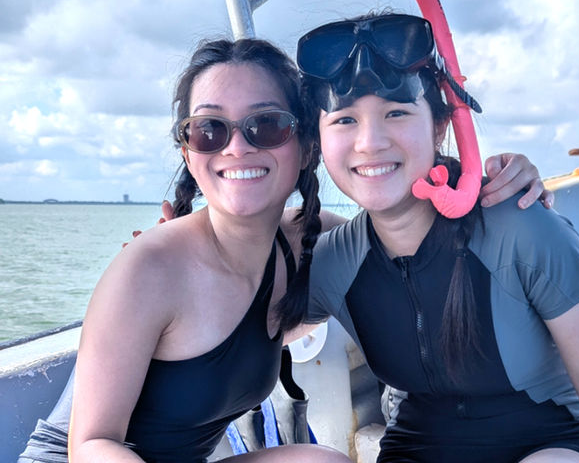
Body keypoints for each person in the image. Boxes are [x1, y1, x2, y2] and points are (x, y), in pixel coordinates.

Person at [17, 37, 549, 463]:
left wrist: (494, 184)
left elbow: (415, 228)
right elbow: (89, 445)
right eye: (209, 130)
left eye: (266, 124)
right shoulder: (150, 268)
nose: (237, 147)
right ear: (188, 148)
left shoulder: (313, 243)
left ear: (307, 146)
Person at [292, 12, 579, 463]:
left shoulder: (521, 227)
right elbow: (245, 337)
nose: (370, 141)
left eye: (396, 112)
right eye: (344, 120)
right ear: (317, 141)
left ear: (439, 127)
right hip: (418, 448)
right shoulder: (334, 263)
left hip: (546, 442)